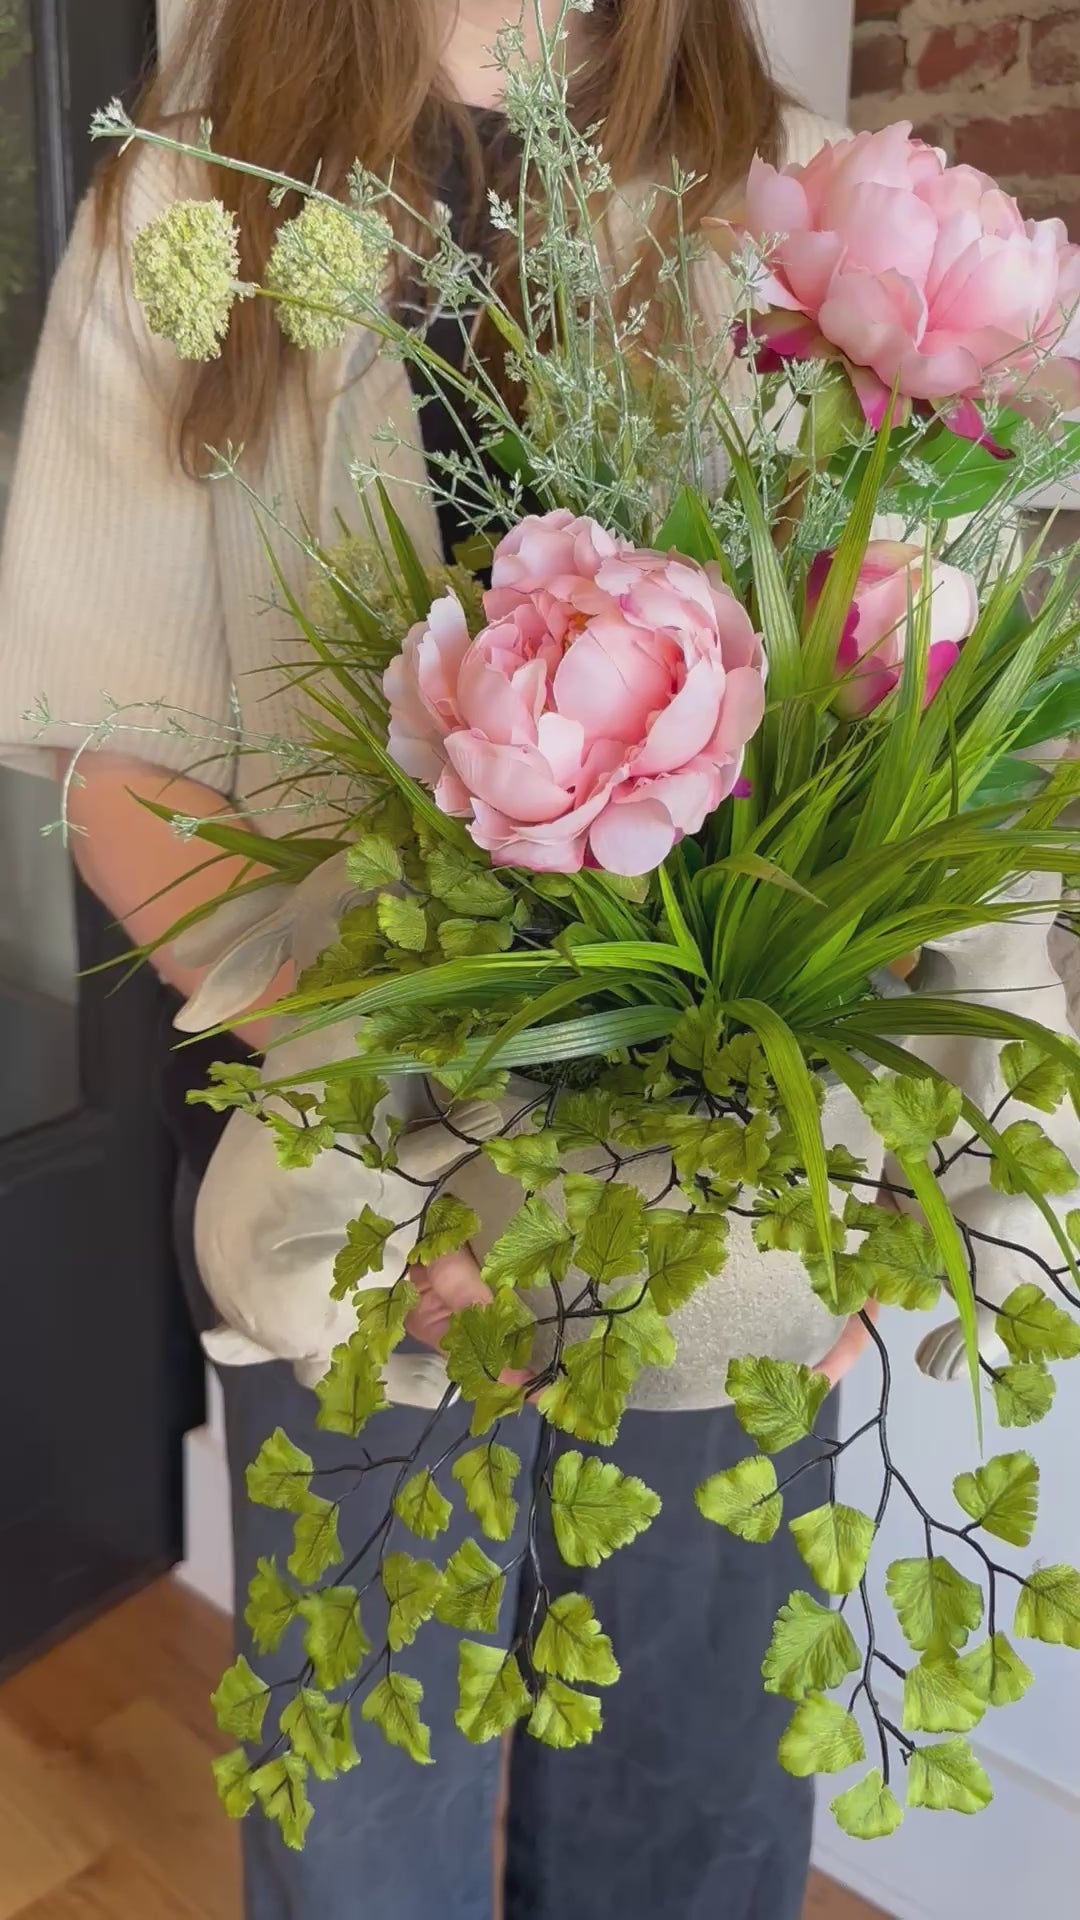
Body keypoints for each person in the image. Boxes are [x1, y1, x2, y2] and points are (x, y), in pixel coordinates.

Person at [0, 4, 873, 1915]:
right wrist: (400, 1148)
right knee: (365, 1799)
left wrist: (880, 1180)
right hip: (337, 1147)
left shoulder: (796, 188)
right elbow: (115, 739)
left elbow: (878, 728)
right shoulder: (190, 193)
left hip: (715, 1175)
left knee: (696, 1787)